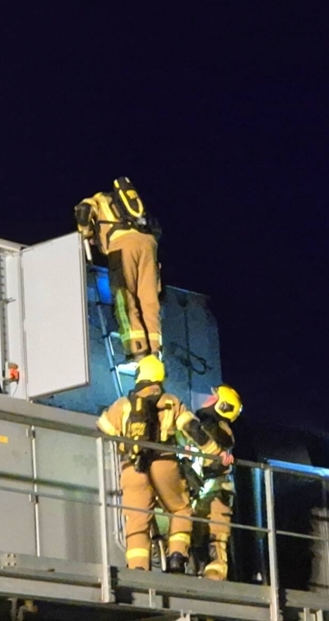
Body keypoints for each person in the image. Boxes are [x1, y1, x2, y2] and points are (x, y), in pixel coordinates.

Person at [96, 355, 227, 573]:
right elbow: (192, 429)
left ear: (139, 376)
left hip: (131, 466)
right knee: (181, 508)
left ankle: (138, 567)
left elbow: (102, 428)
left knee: (137, 519)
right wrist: (215, 453)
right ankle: (176, 557)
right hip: (164, 462)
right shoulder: (170, 401)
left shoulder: (121, 404)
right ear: (160, 377)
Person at [75, 178, 162, 368]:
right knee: (149, 300)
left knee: (125, 299)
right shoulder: (130, 206)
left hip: (122, 246)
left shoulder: (98, 199)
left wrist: (84, 233)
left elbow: (83, 211)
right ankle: (155, 352)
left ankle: (137, 351)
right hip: (149, 245)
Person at [186, 384, 242, 581]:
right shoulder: (200, 425)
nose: (207, 400)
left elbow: (219, 448)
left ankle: (215, 578)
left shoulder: (219, 430)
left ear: (222, 406)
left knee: (216, 537)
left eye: (213, 398)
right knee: (196, 534)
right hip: (200, 490)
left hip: (216, 490)